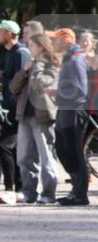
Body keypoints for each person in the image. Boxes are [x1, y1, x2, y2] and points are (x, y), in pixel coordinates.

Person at [0, 20, 32, 204]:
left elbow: (18, 83)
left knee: (4, 145)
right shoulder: (12, 53)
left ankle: (10, 189)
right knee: (13, 147)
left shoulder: (20, 52)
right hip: (12, 106)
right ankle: (18, 189)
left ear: (10, 34)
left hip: (18, 108)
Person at [9, 33, 60, 204]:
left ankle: (48, 193)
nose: (29, 49)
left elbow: (40, 84)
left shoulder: (52, 65)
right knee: (24, 156)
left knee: (46, 156)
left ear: (41, 47)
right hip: (25, 115)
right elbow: (13, 87)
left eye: (31, 46)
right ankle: (29, 192)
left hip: (43, 116)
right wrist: (24, 71)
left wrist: (36, 67)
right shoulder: (30, 65)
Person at [48, 28, 90, 206]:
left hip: (74, 109)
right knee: (63, 148)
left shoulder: (75, 58)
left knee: (73, 151)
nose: (52, 43)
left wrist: (58, 92)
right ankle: (76, 190)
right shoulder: (69, 58)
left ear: (66, 40)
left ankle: (80, 194)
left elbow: (81, 89)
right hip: (66, 109)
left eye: (55, 40)